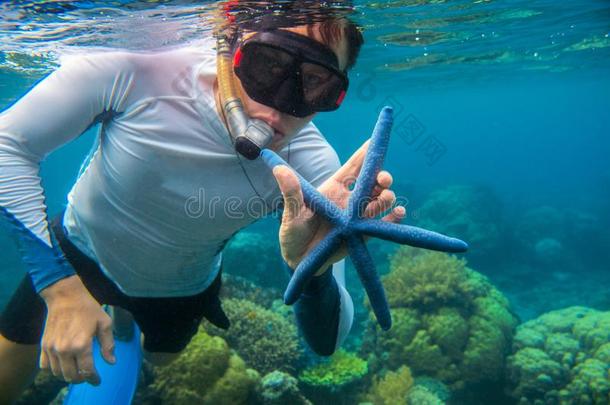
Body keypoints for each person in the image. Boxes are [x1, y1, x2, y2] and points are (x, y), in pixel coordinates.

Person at [0, 4, 404, 402]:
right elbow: (7, 145)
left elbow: (327, 342)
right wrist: (60, 289)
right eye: (267, 66)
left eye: (315, 83)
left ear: (337, 91)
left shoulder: (312, 168)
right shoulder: (138, 70)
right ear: (228, 42)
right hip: (75, 253)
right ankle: (109, 314)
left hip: (182, 286)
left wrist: (311, 272)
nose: (278, 107)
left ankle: (124, 324)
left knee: (162, 360)